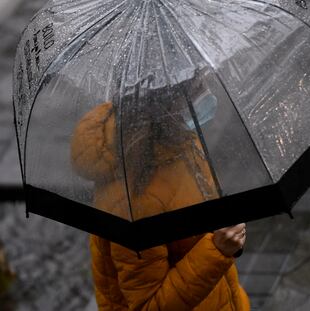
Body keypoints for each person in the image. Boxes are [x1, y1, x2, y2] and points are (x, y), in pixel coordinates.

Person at [70, 81, 250, 310]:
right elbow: (148, 306)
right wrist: (216, 251)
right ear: (166, 101)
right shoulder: (132, 202)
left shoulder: (181, 141)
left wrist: (227, 234)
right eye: (195, 84)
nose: (205, 89)